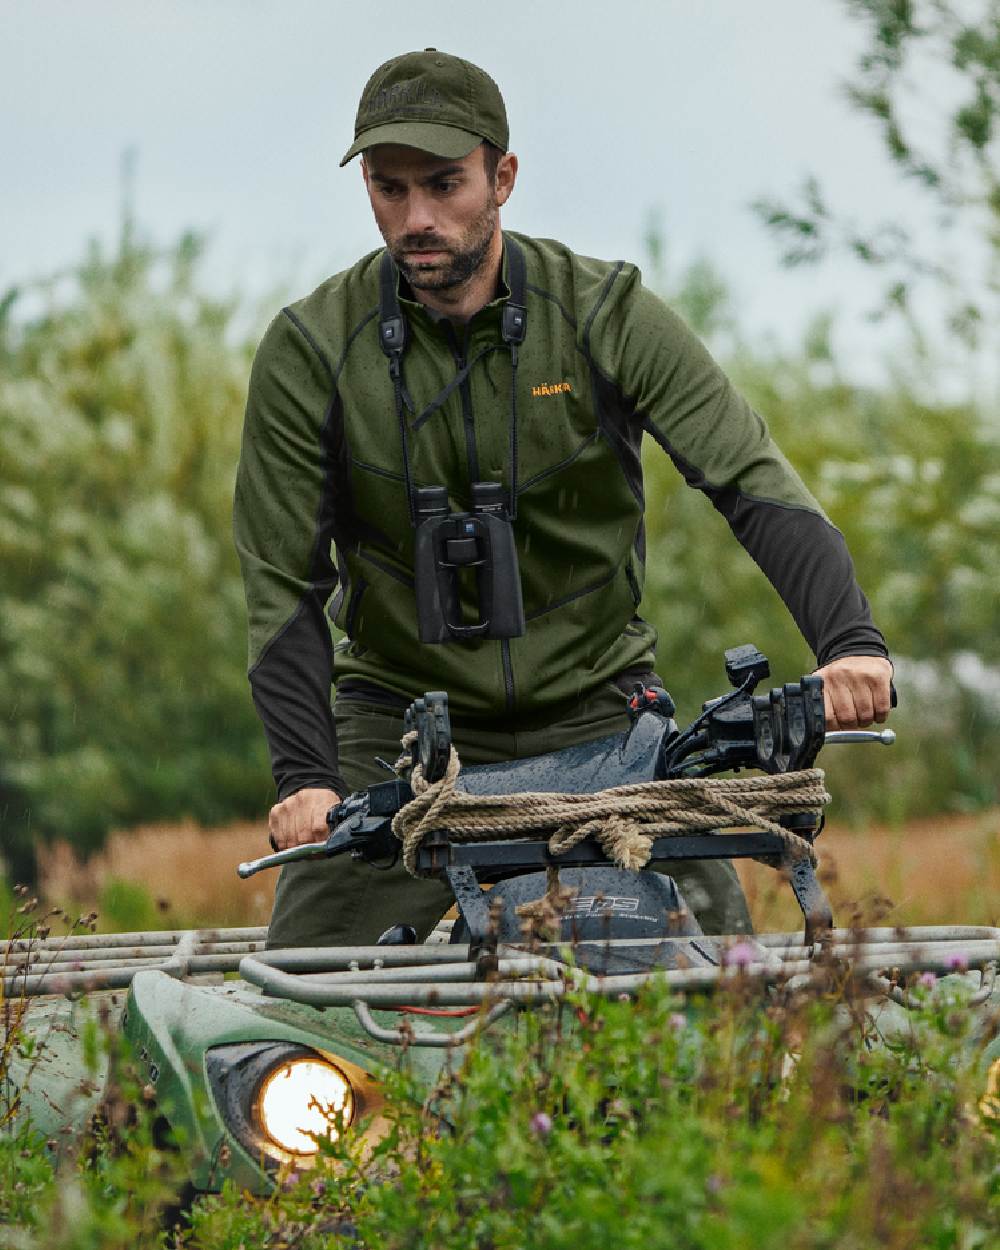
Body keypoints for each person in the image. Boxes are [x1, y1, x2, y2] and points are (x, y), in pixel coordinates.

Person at [234, 49, 893, 949]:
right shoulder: (311, 348)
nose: (417, 218)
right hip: (397, 730)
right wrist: (305, 778)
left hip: (603, 716)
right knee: (296, 1008)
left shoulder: (607, 313)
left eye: (444, 184)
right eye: (390, 190)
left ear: (503, 177)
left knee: (733, 992)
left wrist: (851, 646)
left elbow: (749, 478)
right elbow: (281, 587)